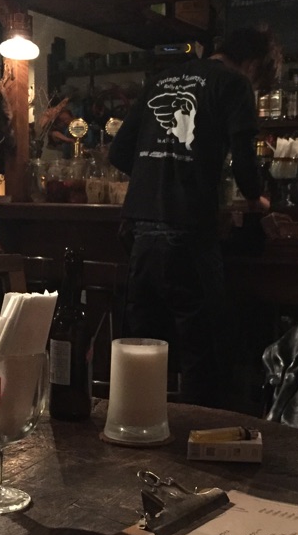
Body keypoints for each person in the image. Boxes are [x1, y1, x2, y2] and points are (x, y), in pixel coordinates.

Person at [108, 28, 279, 407]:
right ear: (253, 65)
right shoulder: (234, 84)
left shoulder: (162, 79)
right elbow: (246, 165)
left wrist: (159, 173)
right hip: (187, 230)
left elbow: (118, 152)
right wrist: (257, 199)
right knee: (204, 354)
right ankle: (197, 438)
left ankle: (136, 431)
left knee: (142, 349)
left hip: (138, 231)